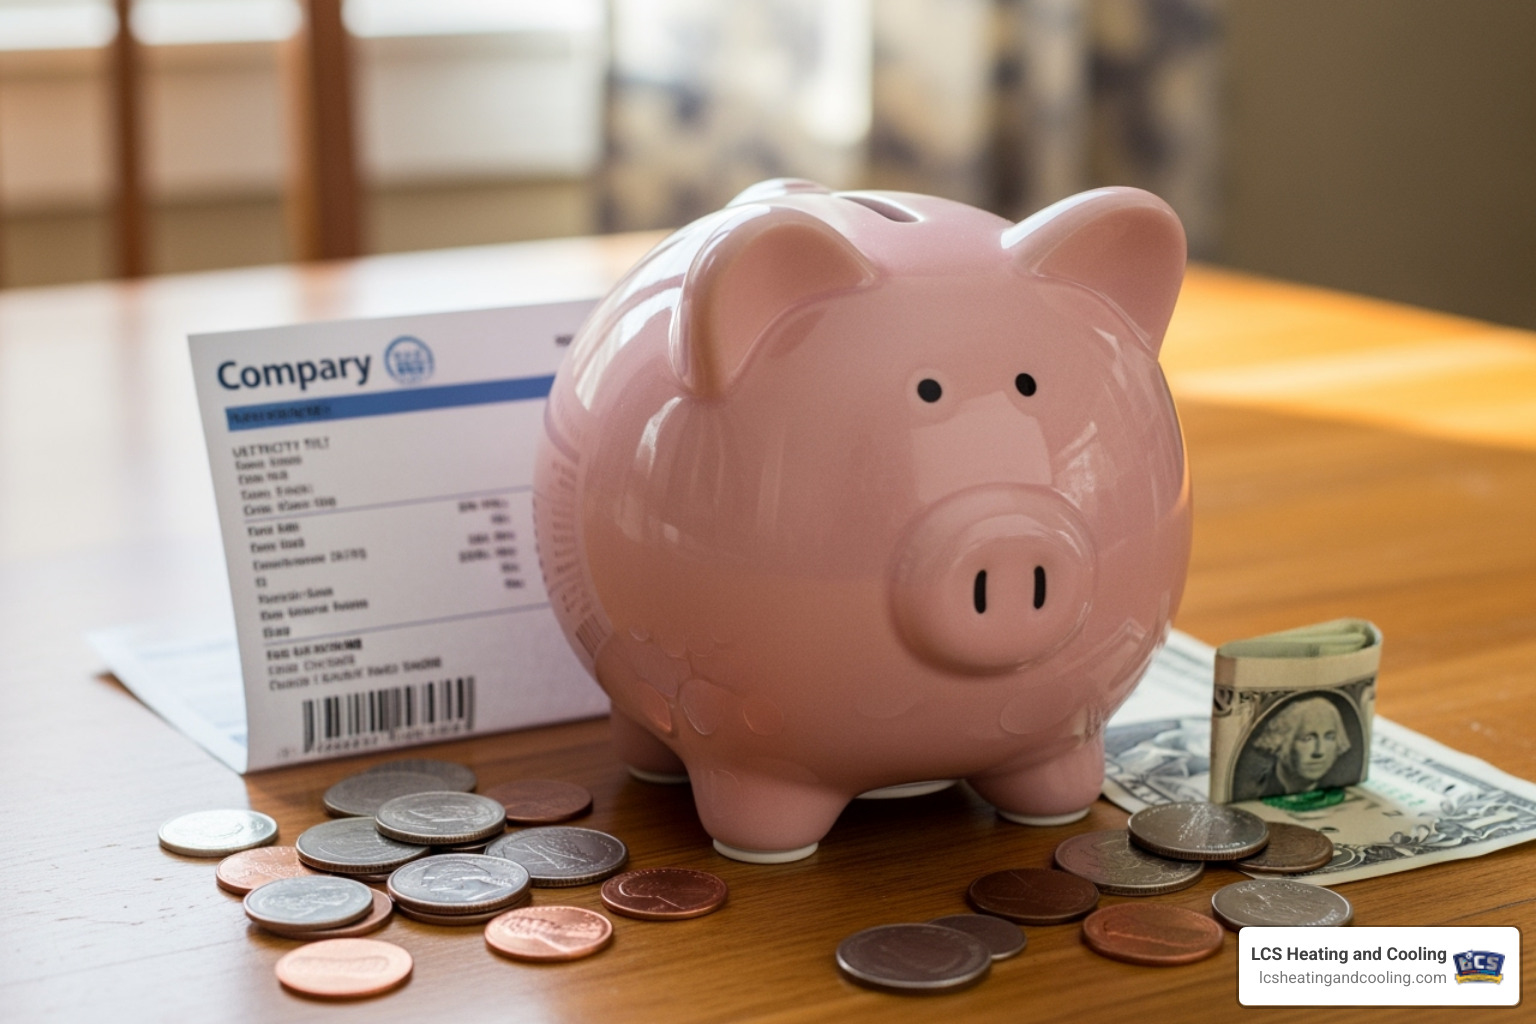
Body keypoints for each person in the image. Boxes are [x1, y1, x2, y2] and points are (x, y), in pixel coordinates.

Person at [1242, 696, 1353, 799]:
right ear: (1281, 742)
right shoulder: (1253, 791)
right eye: (1307, 739)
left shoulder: (1341, 787)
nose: (1319, 752)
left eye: (1329, 737)